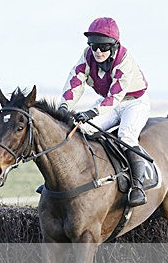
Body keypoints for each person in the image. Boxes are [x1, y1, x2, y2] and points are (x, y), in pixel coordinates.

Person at [59, 17, 150, 206]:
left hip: (134, 102)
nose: (98, 51)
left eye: (104, 47)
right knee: (83, 130)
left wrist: (91, 113)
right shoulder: (88, 55)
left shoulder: (125, 60)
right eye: (94, 46)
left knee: (126, 137)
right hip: (108, 101)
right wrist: (64, 107)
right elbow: (75, 82)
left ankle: (137, 186)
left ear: (114, 46)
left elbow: (115, 96)